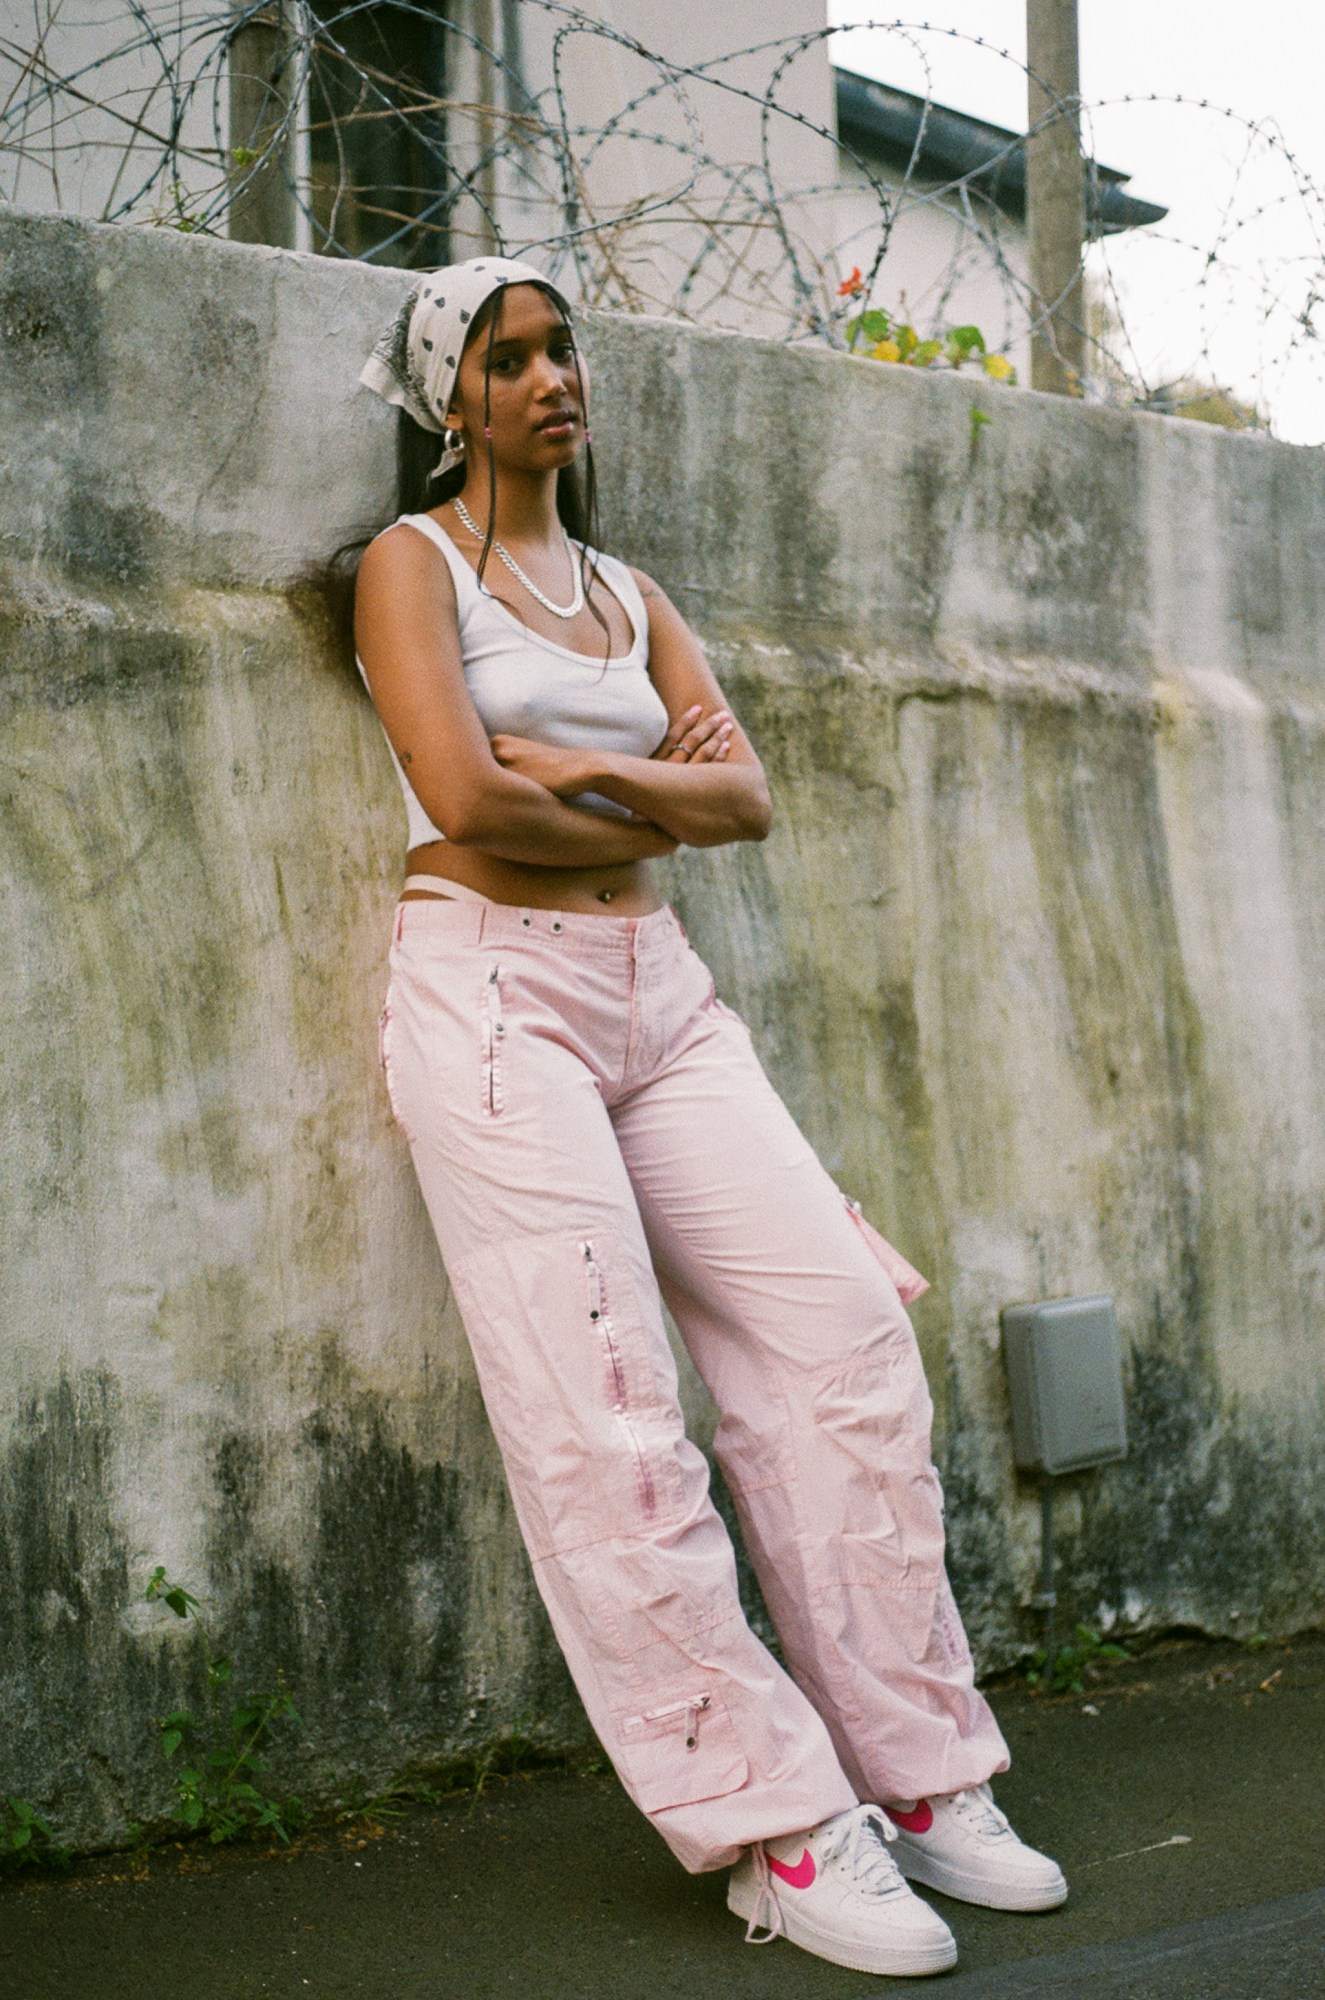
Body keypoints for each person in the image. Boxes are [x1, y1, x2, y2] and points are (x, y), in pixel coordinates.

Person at [352, 255, 1066, 1979]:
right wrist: (627, 794)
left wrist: (587, 780)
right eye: (505, 358)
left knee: (839, 1348)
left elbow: (739, 799)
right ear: (449, 399)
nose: (545, 378)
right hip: (495, 996)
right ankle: (772, 1826)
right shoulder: (410, 565)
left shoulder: (626, 587)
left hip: (659, 999)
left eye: (559, 346)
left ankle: (914, 1776)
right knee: (608, 1417)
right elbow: (457, 798)